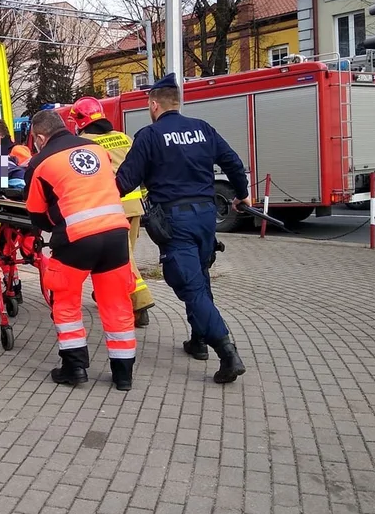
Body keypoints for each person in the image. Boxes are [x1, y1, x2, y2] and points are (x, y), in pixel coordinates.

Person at [115, 73, 250, 384]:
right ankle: (198, 340)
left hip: (175, 221)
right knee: (199, 278)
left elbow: (124, 181)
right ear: (177, 102)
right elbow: (232, 162)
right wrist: (242, 194)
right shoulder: (202, 129)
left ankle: (227, 351)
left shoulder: (149, 136)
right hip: (205, 218)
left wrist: (100, 200)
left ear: (153, 105)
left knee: (190, 286)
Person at [25, 110, 138, 391]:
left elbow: (38, 217)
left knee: (65, 301)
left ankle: (74, 368)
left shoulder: (39, 163)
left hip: (76, 239)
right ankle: (123, 374)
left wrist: (58, 212)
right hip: (115, 234)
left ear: (40, 137)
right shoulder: (96, 149)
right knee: (117, 303)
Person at [70, 96, 155, 327]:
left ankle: (140, 301)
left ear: (80, 120)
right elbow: (141, 166)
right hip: (134, 205)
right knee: (123, 257)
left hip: (109, 208)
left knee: (124, 260)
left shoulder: (84, 143)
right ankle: (105, 293)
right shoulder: (124, 137)